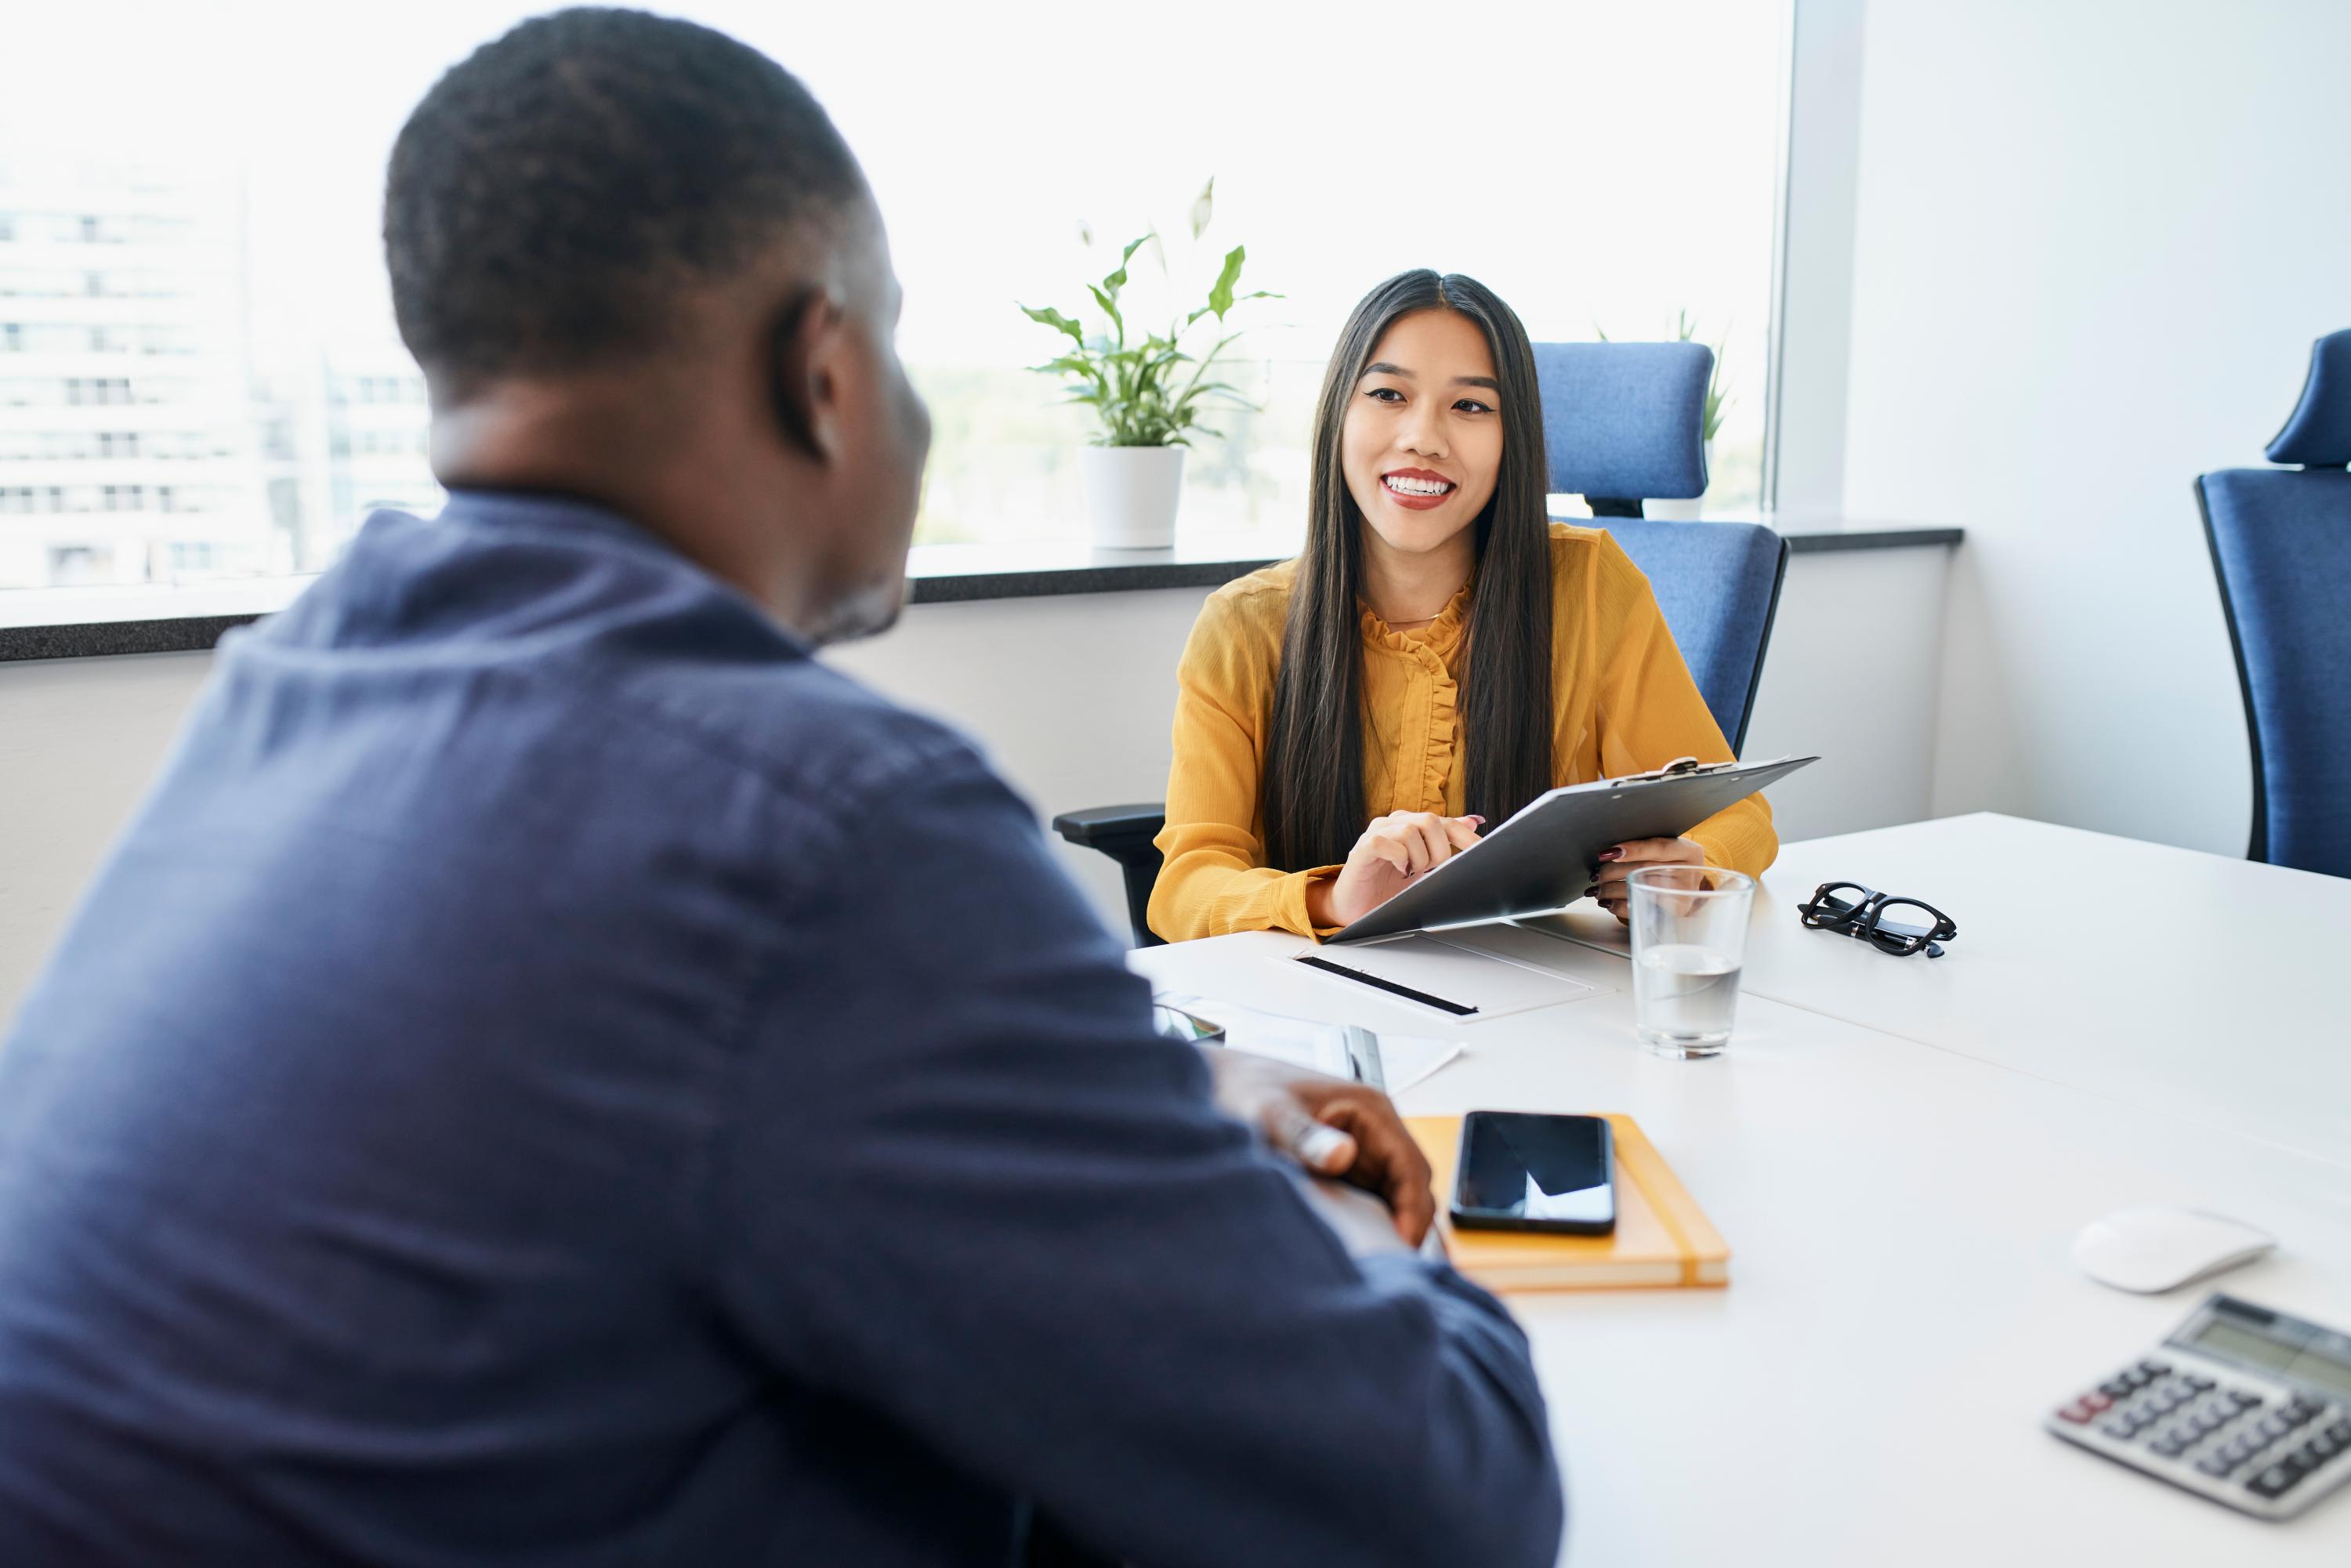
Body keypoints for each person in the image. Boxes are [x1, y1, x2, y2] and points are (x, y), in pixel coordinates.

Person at [0, 13, 1561, 1568]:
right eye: (895, 334)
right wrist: (1318, 1201)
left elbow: (653, 1088)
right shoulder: (829, 827)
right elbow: (1445, 1493)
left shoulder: (291, 692)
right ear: (821, 371)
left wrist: (1167, 1093)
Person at [1149, 270, 1778, 943]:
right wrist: (1337, 898)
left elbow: (1743, 816)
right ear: (1338, 416)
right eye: (1389, 393)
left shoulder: (1590, 584)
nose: (1424, 436)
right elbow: (1185, 886)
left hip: (1542, 1004)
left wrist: (1695, 870)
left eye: (1471, 406)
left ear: (1516, 438)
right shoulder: (1242, 627)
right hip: (1320, 1012)